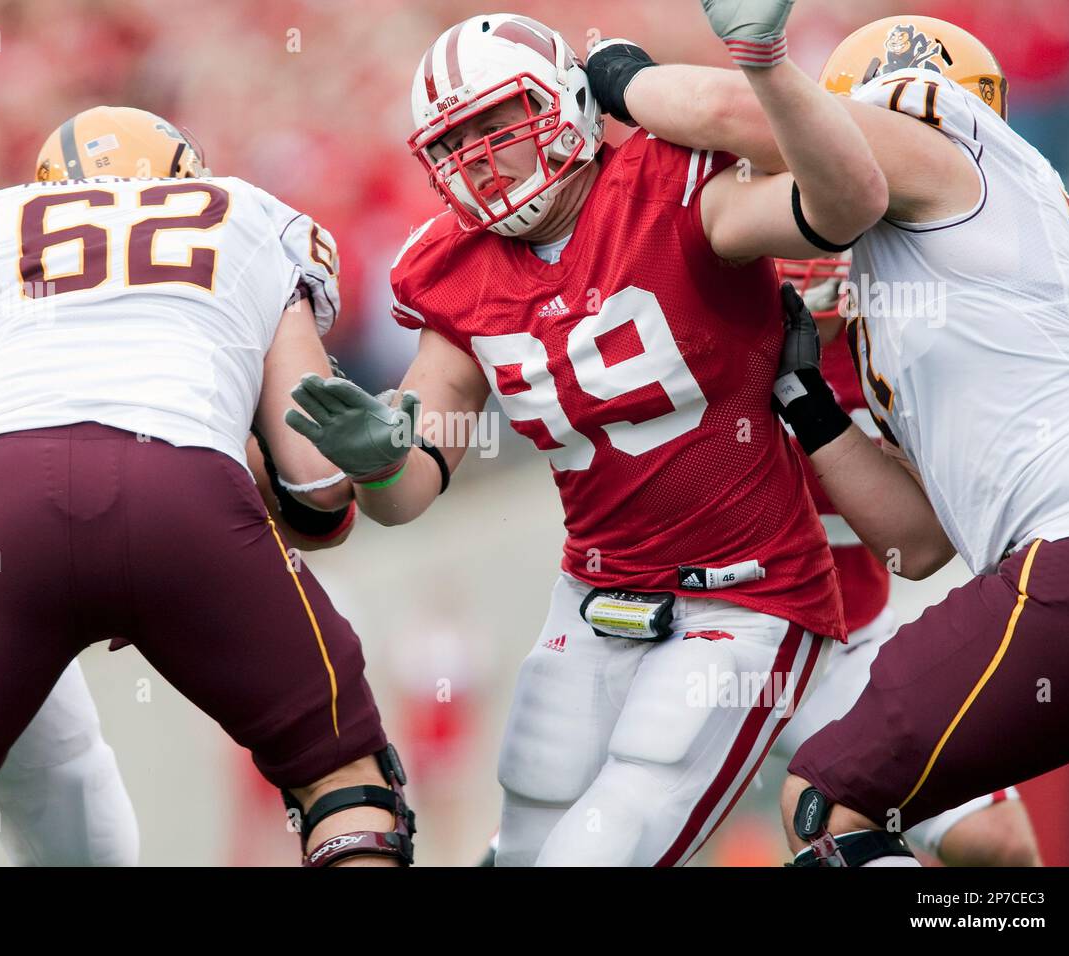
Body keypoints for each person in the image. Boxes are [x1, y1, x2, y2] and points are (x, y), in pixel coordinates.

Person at [286, 3, 889, 866]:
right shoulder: (454, 272)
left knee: (602, 848)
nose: (482, 160)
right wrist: (380, 459)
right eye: (456, 143)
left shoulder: (672, 187)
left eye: (499, 122)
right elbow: (411, 485)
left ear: (566, 101)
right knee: (526, 826)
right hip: (594, 598)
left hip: (748, 596)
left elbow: (843, 202)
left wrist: (758, 64)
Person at [0, 106, 412, 867]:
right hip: (180, 502)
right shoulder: (246, 223)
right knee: (343, 783)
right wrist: (346, 485)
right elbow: (313, 488)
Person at [593, 15, 1069, 864]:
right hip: (1053, 561)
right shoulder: (937, 278)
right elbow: (919, 541)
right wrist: (809, 401)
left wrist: (614, 74)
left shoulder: (946, 143)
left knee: (833, 799)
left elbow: (731, 113)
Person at [769, 256, 1040, 867]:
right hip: (708, 631)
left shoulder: (900, 340)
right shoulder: (709, 321)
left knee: (999, 845)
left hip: (841, 636)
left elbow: (925, 548)